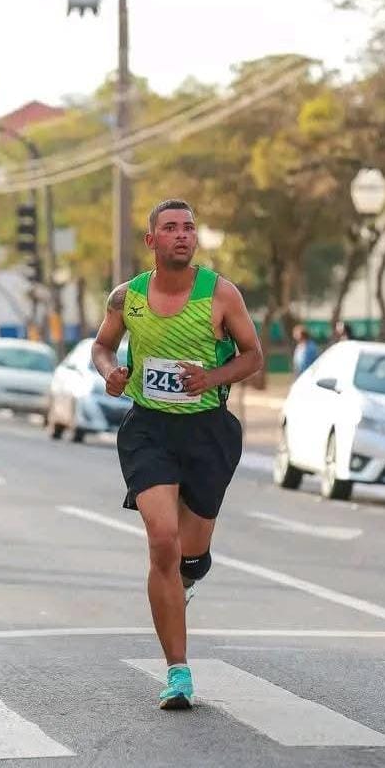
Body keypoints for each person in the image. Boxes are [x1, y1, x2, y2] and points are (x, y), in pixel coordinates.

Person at [91, 199, 262, 710]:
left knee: (191, 555)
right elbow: (101, 346)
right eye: (170, 228)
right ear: (152, 241)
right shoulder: (127, 297)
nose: (182, 235)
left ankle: (186, 575)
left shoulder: (220, 294)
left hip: (208, 432)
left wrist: (211, 377)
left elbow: (254, 355)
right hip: (150, 429)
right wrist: (110, 373)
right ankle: (178, 672)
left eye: (188, 227)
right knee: (162, 540)